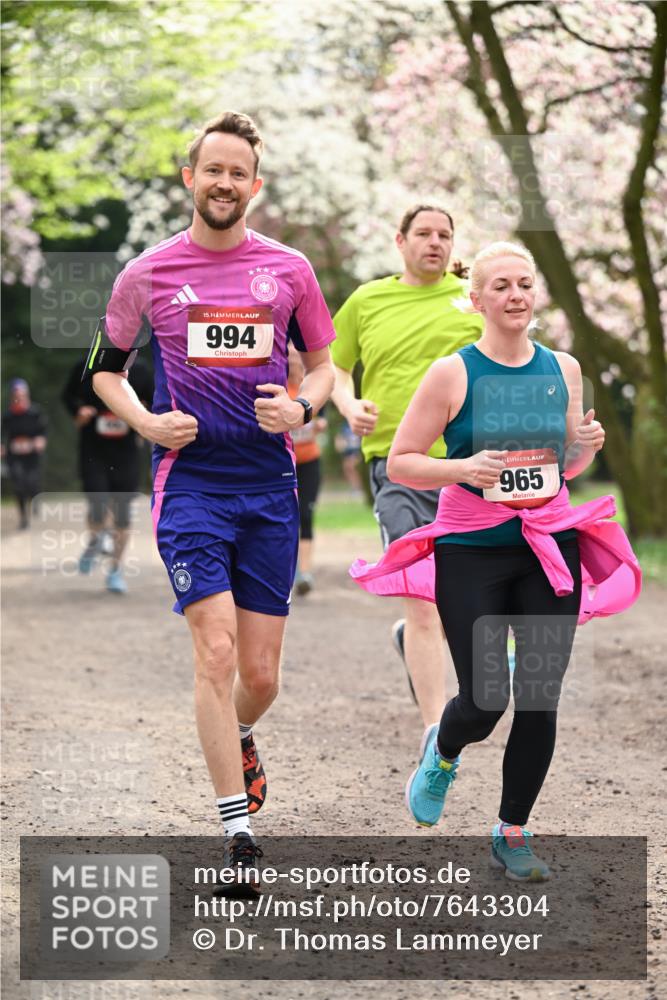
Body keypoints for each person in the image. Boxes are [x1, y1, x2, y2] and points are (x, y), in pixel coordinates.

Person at [88, 111, 335, 890]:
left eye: (239, 173)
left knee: (259, 677)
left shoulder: (289, 269)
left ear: (253, 187)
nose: (225, 182)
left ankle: (239, 734)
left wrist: (304, 409)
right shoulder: (148, 273)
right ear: (189, 178)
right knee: (216, 653)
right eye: (213, 169)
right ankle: (237, 834)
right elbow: (106, 367)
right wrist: (146, 421)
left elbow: (322, 364)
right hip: (190, 484)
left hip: (268, 487)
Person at [350, 242, 641, 881]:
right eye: (501, 285)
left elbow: (561, 467)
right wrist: (463, 468)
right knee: (485, 699)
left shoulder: (562, 369)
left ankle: (512, 830)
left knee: (538, 697)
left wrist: (583, 447)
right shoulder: (453, 373)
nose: (515, 295)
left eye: (525, 284)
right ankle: (443, 750)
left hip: (546, 544)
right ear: (476, 299)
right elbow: (401, 461)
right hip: (472, 549)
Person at [331, 205, 483, 729]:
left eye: (445, 234)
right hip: (397, 469)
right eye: (424, 233)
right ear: (400, 241)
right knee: (422, 600)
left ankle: (419, 646)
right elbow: (332, 364)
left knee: (463, 597)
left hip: (472, 471)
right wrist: (349, 407)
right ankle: (433, 736)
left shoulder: (473, 300)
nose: (435, 243)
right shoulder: (368, 299)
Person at [62, 357, 153, 593]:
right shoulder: (86, 366)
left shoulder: (142, 371)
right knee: (97, 501)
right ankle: (96, 540)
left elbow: (156, 404)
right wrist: (78, 410)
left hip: (126, 453)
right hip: (93, 450)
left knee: (122, 514)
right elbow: (68, 396)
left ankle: (115, 571)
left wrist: (145, 414)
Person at [287, 344, 327, 595]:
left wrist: (320, 424)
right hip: (284, 463)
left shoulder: (315, 387)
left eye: (297, 357)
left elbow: (324, 417)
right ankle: (288, 570)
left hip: (309, 461)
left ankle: (305, 572)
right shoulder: (278, 388)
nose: (294, 361)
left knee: (306, 513)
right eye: (289, 356)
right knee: (287, 516)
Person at [1, 379, 47, 529]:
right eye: (16, 394)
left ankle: (35, 499)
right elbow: (3, 433)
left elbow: (43, 430)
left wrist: (41, 440)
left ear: (26, 394)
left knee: (31, 483)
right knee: (19, 484)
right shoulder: (8, 415)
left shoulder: (34, 412)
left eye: (22, 394)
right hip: (14, 456)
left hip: (32, 455)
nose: (19, 397)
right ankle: (23, 518)